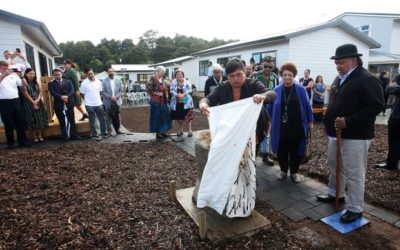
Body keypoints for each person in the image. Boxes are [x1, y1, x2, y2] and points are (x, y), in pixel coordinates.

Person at [316, 44, 384, 223]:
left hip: (356, 135)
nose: (338, 66)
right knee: (334, 164)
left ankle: (355, 209)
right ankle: (335, 193)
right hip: (336, 133)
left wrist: (349, 120)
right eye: (336, 63)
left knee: (354, 172)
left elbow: (377, 105)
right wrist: (327, 125)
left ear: (354, 60)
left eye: (341, 62)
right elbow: (335, 104)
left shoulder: (366, 79)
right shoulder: (340, 79)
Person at [269, 63, 314, 183]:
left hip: (297, 125)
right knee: (282, 149)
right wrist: (269, 121)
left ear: (294, 76)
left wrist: (310, 121)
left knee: (296, 150)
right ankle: (283, 170)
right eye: (285, 75)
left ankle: (294, 172)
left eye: (290, 75)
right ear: (281, 76)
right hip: (281, 126)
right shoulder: (276, 90)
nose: (287, 77)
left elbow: (307, 106)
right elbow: (270, 108)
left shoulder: (301, 90)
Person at [199, 58, 276, 116]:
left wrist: (263, 96)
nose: (235, 78)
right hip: (230, 126)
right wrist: (203, 104)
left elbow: (272, 93)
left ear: (244, 72)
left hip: (252, 128)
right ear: (227, 76)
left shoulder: (253, 84)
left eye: (239, 75)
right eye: (232, 76)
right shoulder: (222, 87)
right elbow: (207, 99)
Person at [251, 56, 279, 166]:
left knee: (266, 131)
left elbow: (276, 92)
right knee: (254, 132)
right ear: (262, 64)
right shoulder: (255, 75)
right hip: (256, 107)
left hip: (269, 108)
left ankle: (265, 155)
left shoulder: (275, 77)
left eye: (270, 66)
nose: (268, 69)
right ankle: (252, 156)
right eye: (266, 66)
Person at [0, 61, 30, 149]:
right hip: (4, 102)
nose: (6, 68)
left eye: (7, 67)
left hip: (16, 100)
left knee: (19, 121)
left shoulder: (13, 75)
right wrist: (4, 75)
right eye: (4, 67)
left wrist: (21, 77)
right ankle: (10, 143)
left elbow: (24, 85)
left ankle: (23, 141)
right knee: (8, 123)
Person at [48, 68, 81, 141]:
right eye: (55, 75)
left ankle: (74, 135)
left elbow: (72, 90)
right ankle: (65, 136)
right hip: (59, 104)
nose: (57, 76)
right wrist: (61, 97)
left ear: (61, 74)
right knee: (62, 120)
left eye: (58, 74)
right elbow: (53, 93)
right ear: (54, 75)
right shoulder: (51, 84)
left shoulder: (68, 81)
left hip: (69, 103)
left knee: (71, 119)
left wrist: (67, 97)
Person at [376, 73, 400, 170]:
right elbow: (387, 88)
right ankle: (391, 163)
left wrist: (396, 88)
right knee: (393, 141)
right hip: (396, 116)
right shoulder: (399, 77)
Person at [21, 68, 48, 143]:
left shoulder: (36, 82)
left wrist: (37, 100)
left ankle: (40, 136)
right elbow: (25, 93)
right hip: (28, 102)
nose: (32, 75)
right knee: (31, 119)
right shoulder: (23, 82)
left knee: (39, 119)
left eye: (33, 73)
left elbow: (40, 92)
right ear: (26, 74)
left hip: (38, 101)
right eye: (30, 73)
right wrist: (33, 102)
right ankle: (34, 136)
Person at [80, 68, 108, 139]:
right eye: (89, 74)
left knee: (102, 119)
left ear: (93, 73)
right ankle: (94, 135)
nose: (91, 75)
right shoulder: (84, 83)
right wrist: (87, 100)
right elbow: (82, 94)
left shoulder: (98, 81)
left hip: (99, 104)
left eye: (91, 73)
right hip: (89, 105)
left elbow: (100, 92)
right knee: (92, 121)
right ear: (86, 75)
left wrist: (100, 101)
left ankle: (103, 133)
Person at [147, 66, 171, 139]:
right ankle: (158, 133)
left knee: (164, 117)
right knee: (157, 118)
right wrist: (157, 94)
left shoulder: (163, 80)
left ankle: (163, 132)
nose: (163, 74)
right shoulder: (152, 79)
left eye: (163, 72)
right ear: (157, 71)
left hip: (163, 101)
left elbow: (167, 87)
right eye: (161, 72)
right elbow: (148, 90)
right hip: (156, 102)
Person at [170, 70, 194, 137]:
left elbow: (190, 90)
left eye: (180, 74)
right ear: (175, 76)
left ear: (183, 75)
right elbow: (171, 90)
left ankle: (189, 130)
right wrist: (177, 94)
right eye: (177, 74)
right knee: (179, 117)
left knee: (188, 116)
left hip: (186, 100)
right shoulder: (173, 82)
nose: (179, 76)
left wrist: (183, 94)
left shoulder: (187, 81)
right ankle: (180, 129)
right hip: (176, 101)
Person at [102, 67, 123, 135]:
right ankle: (109, 131)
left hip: (117, 101)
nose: (111, 73)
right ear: (107, 73)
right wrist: (110, 97)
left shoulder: (118, 80)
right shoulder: (104, 81)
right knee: (108, 117)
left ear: (114, 72)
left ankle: (118, 130)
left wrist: (116, 97)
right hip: (108, 102)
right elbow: (103, 92)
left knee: (118, 117)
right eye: (109, 71)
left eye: (112, 71)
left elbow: (121, 90)